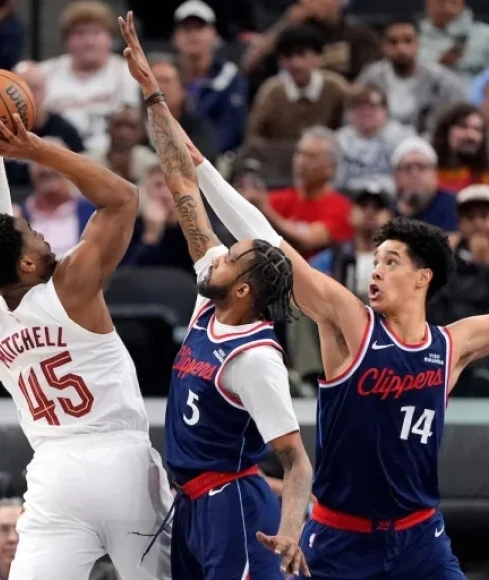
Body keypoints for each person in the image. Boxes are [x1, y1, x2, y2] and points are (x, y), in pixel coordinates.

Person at [189, 107, 489, 576]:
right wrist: (205, 172)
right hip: (339, 540)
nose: (376, 270)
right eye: (375, 260)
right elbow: (271, 242)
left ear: (423, 278)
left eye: (391, 261)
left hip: (419, 541)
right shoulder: (351, 323)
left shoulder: (452, 346)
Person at [118, 13, 313, 578]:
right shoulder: (211, 296)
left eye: (231, 256)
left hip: (235, 507)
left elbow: (296, 461)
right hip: (194, 502)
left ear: (245, 288)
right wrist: (152, 91)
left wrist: (291, 532)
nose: (217, 254)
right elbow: (182, 185)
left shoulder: (255, 359)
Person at [0, 88, 172, 577]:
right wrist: (34, 149)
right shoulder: (69, 287)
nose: (45, 235)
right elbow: (123, 197)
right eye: (36, 234)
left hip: (54, 474)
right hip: (121, 466)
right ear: (29, 262)